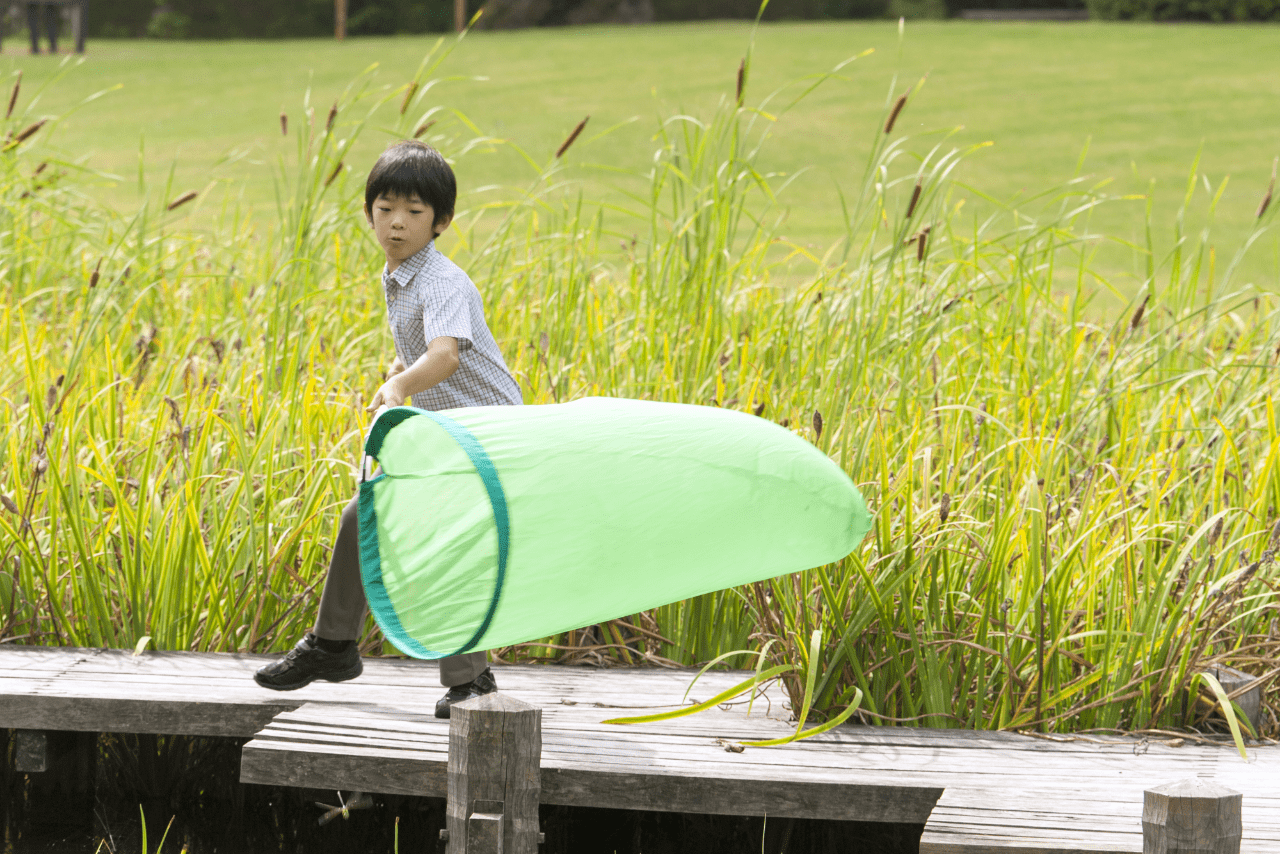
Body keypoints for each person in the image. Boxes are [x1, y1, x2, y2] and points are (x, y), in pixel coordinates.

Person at [254, 141, 523, 719]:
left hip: (486, 438)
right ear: (369, 212)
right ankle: (334, 645)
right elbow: (426, 350)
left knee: (440, 539)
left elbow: (446, 356)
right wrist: (402, 371)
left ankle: (472, 681)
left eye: (415, 211)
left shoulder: (442, 280)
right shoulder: (401, 273)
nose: (397, 222)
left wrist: (401, 388)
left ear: (442, 221)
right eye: (385, 208)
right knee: (363, 516)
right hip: (449, 434)